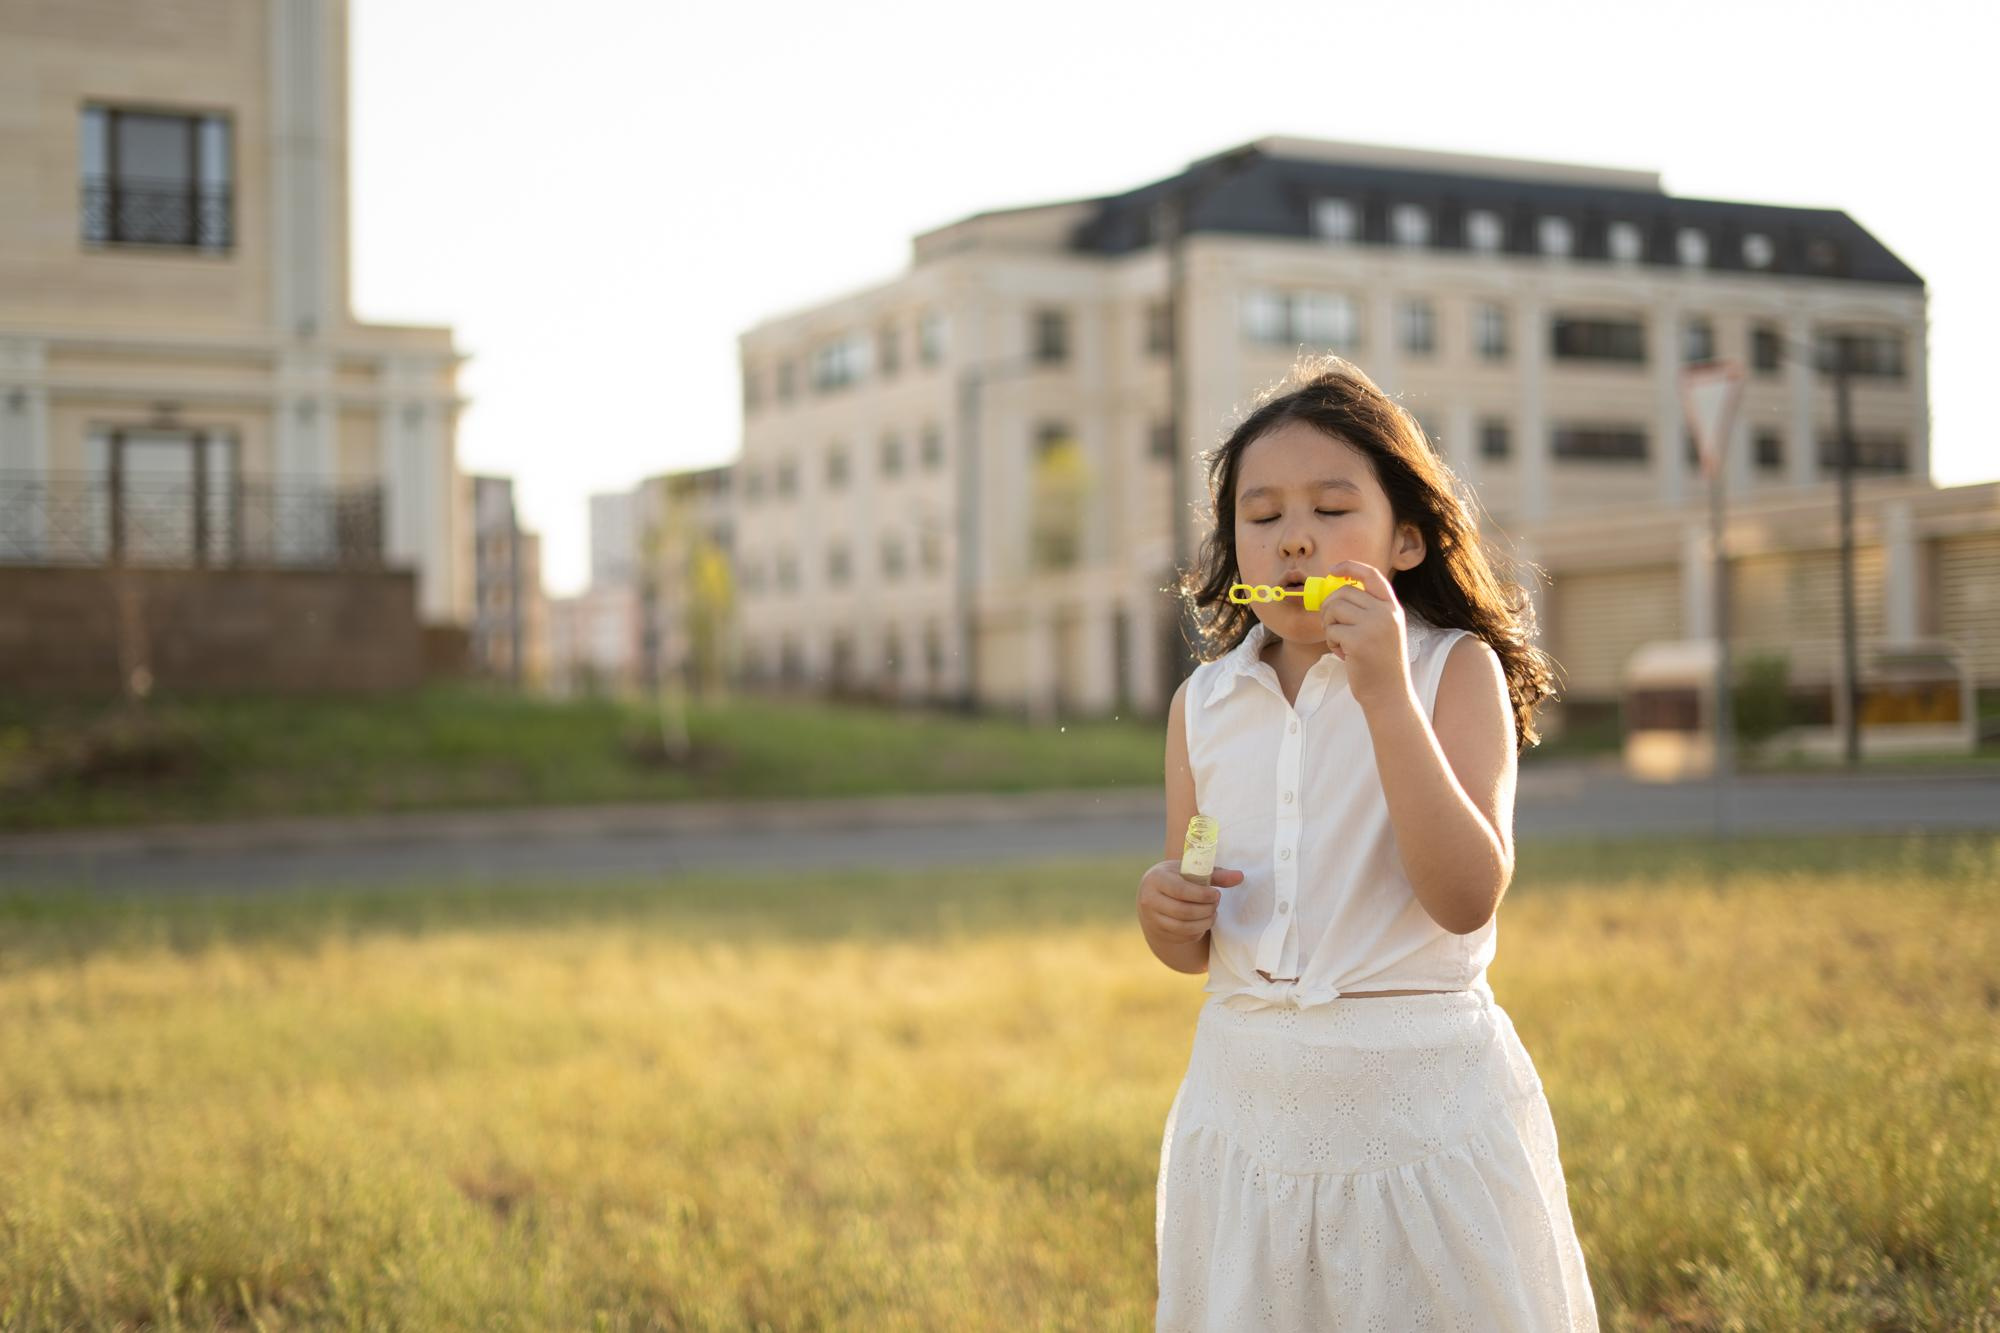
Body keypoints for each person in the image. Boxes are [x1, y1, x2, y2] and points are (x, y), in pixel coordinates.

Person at [1139, 355, 1598, 1330]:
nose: (1293, 538)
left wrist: (1383, 689)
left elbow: (1465, 895)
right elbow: (1191, 933)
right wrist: (1164, 915)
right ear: (1232, 549)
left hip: (1415, 1111)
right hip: (1246, 1111)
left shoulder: (1449, 672)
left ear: (1404, 542)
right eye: (1260, 519)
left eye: (1330, 510)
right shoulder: (1202, 706)